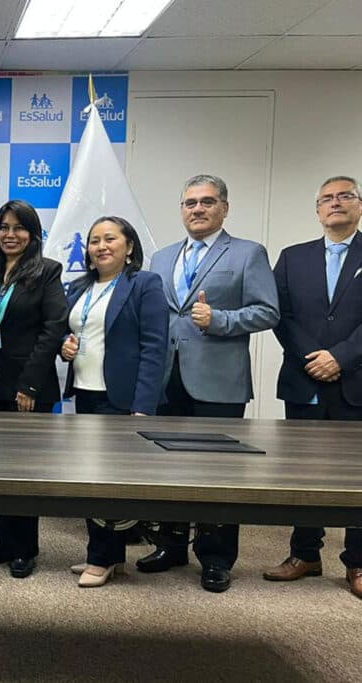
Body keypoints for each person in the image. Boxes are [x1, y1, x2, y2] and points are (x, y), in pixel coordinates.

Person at [141, 174, 279, 593]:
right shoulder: (162, 257)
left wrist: (220, 320)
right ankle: (170, 546)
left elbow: (268, 311)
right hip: (167, 379)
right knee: (168, 468)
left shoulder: (247, 253)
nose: (197, 209)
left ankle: (216, 559)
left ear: (224, 208)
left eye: (207, 201)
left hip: (218, 383)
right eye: (190, 203)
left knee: (219, 474)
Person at [0, 199, 67, 578]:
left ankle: (25, 548)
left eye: (19, 228)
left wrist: (30, 385)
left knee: (24, 471)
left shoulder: (47, 272)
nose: (10, 234)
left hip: (29, 387)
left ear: (33, 234)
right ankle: (3, 542)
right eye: (4, 227)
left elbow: (54, 329)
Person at [266, 175, 362, 599]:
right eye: (327, 198)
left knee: (356, 477)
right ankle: (304, 554)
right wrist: (314, 357)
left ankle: (358, 561)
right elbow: (279, 315)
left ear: (359, 205)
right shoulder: (292, 257)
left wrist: (341, 357)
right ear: (318, 210)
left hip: (355, 379)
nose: (335, 203)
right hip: (304, 381)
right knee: (304, 474)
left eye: (345, 196)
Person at [59, 216, 168, 587]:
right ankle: (108, 556)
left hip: (121, 399)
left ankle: (101, 559)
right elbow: (69, 332)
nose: (101, 246)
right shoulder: (80, 286)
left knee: (109, 480)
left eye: (110, 239)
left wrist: (143, 406)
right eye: (94, 240)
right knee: (89, 476)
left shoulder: (144, 284)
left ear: (129, 246)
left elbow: (154, 347)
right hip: (85, 393)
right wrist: (65, 345)